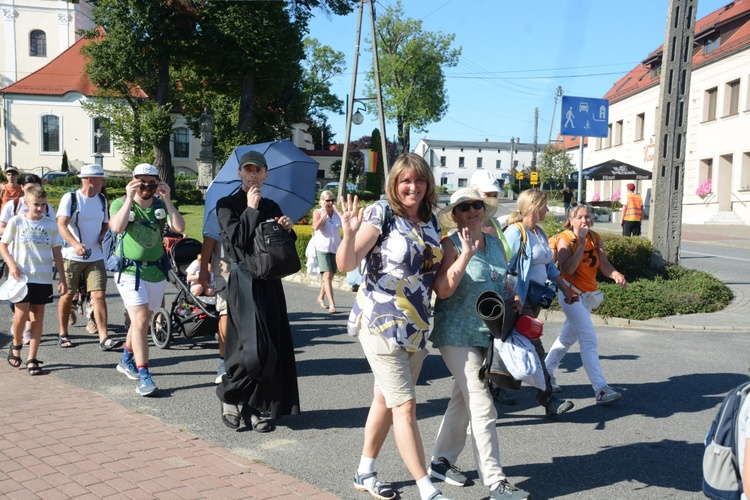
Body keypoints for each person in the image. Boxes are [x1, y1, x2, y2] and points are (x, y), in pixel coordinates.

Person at [336, 153, 450, 500]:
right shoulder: (381, 213)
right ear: (394, 185)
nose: (412, 187)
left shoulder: (432, 223)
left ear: (427, 183)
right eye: (405, 181)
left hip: (416, 326)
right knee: (406, 405)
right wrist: (348, 234)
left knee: (385, 400)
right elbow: (347, 264)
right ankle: (425, 487)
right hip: (380, 321)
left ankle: (365, 471)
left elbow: (439, 281)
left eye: (418, 180)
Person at [429, 188, 530, 500]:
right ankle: (496, 482)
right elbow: (443, 290)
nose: (471, 210)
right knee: (482, 405)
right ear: (456, 215)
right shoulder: (449, 244)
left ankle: (441, 462)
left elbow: (501, 280)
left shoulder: (496, 244)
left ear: (484, 209)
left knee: (462, 399)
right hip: (456, 335)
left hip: (487, 335)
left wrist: (510, 294)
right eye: (464, 207)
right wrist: (466, 254)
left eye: (476, 205)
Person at [215, 150, 300, 433]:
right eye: (247, 170)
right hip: (243, 282)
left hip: (270, 283)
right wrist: (250, 209)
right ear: (239, 174)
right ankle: (230, 397)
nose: (252, 175)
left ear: (265, 174)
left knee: (271, 347)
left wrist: (287, 231)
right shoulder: (226, 204)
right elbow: (237, 240)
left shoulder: (272, 205)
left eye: (257, 170)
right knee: (248, 349)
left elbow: (282, 251)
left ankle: (254, 406)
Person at [110, 163, 185, 397]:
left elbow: (180, 228)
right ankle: (144, 375)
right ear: (133, 181)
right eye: (142, 182)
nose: (147, 187)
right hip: (130, 272)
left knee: (142, 320)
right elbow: (116, 227)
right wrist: (128, 198)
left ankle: (125, 359)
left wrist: (168, 199)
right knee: (141, 320)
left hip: (155, 271)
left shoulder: (161, 206)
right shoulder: (121, 203)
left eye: (151, 183)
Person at [504, 189, 578, 418]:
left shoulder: (539, 231)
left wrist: (566, 291)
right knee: (534, 347)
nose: (547, 210)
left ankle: (492, 386)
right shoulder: (516, 233)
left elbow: (550, 267)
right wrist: (513, 295)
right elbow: (505, 268)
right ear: (534, 207)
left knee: (512, 346)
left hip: (536, 300)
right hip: (520, 300)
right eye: (544, 206)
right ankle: (549, 399)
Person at [544, 203, 627, 405]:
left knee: (566, 339)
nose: (585, 221)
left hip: (587, 296)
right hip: (570, 295)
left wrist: (615, 274)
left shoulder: (595, 238)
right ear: (570, 220)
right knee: (589, 340)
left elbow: (604, 264)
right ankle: (600, 389)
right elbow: (568, 269)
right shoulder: (565, 239)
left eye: (588, 217)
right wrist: (580, 243)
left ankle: (544, 373)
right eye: (580, 217)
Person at [1, 186, 67, 375]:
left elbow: (57, 251)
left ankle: (32, 358)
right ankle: (16, 345)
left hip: (43, 277)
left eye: (43, 205)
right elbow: (3, 246)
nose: (39, 208)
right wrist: (12, 265)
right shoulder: (16, 222)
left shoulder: (50, 224)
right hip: (21, 278)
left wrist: (62, 278)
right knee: (21, 316)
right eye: (36, 205)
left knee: (38, 318)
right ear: (26, 203)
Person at [56, 164, 122, 351]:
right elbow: (61, 225)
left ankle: (104, 337)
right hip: (71, 256)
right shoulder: (71, 198)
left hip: (95, 257)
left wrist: (102, 236)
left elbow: (105, 224)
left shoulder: (101, 199)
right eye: (101, 179)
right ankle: (63, 333)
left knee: (99, 295)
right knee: (68, 295)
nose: (104, 182)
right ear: (91, 180)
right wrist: (76, 245)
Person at [469, 170, 515, 406]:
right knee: (473, 365)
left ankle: (492, 390)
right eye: (488, 194)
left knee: (493, 351)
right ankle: (479, 409)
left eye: (495, 194)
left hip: (499, 298)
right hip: (476, 306)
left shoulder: (495, 223)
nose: (492, 199)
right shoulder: (468, 226)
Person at [0, 174, 56, 345]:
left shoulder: (46, 210)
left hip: (39, 269)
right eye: (29, 186)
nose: (33, 189)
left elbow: (51, 233)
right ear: (22, 187)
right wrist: (20, 234)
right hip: (17, 260)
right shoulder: (13, 206)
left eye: (36, 186)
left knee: (34, 310)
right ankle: (19, 328)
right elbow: (2, 228)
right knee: (19, 307)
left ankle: (27, 333)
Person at [312, 189, 342, 313]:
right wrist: (324, 214)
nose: (330, 203)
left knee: (330, 276)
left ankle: (320, 297)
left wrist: (339, 212)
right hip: (322, 247)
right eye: (327, 200)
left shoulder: (336, 213)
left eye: (332, 200)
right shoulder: (317, 212)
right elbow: (315, 227)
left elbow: (345, 223)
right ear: (322, 201)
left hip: (335, 247)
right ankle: (332, 304)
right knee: (328, 275)